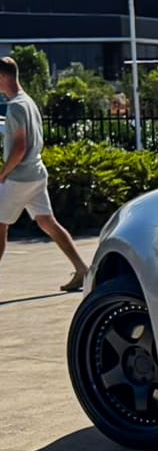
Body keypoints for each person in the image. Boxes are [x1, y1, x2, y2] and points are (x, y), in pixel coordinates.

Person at [0, 56, 89, 292]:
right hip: (37, 173)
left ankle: (82, 270)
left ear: (2, 77)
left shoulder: (16, 106)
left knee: (0, 225)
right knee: (47, 222)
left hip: (19, 177)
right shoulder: (28, 102)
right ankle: (82, 269)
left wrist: (2, 174)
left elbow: (19, 148)